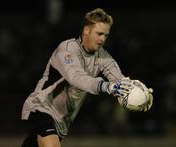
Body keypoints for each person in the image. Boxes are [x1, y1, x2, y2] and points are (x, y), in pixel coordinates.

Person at [21, 8, 153, 147]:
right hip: (41, 106)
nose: (102, 39)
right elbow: (76, 78)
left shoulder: (103, 57)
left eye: (106, 35)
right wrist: (106, 86)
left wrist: (140, 95)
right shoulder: (67, 49)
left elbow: (119, 81)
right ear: (86, 30)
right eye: (99, 33)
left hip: (61, 121)